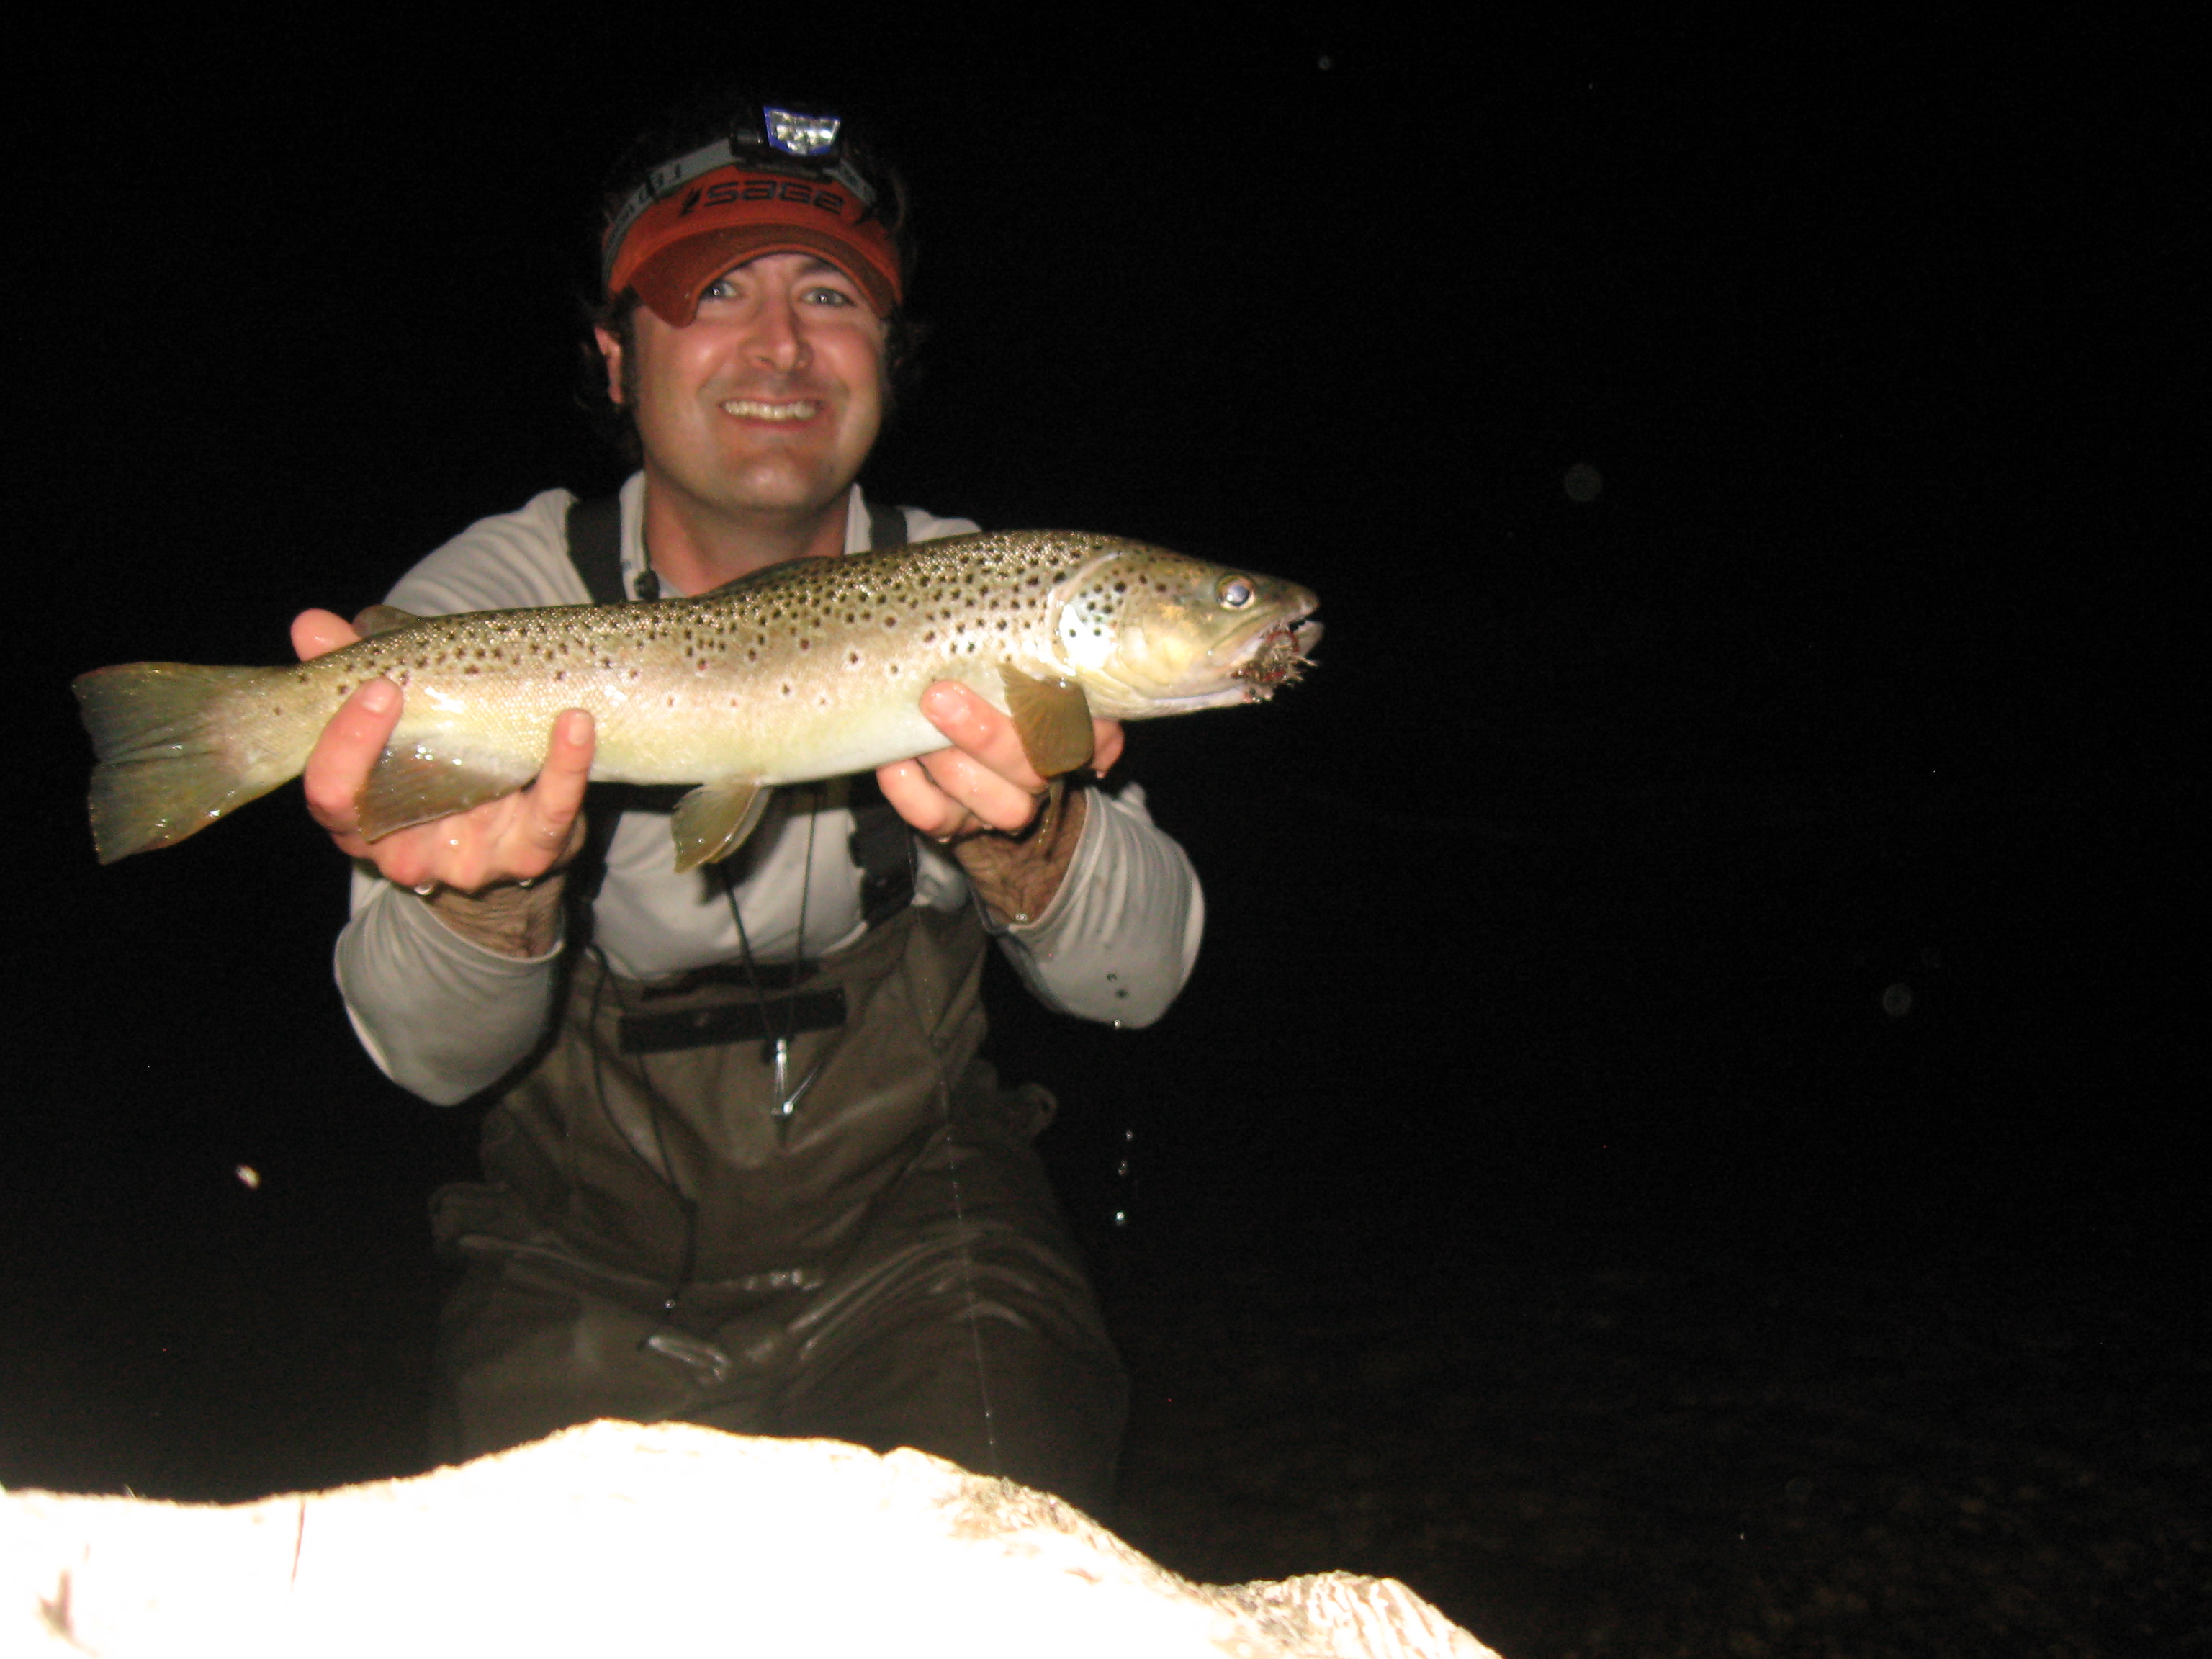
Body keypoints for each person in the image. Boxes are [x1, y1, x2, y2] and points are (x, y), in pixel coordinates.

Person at [286, 99, 1202, 1516]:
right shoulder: (486, 597)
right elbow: (431, 1062)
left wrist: (1036, 841)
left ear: (887, 361)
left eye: (830, 296)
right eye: (717, 294)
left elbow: (1141, 981)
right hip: (574, 1247)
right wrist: (487, 898)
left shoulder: (995, 588)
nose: (780, 347)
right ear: (612, 353)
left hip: (922, 1230)